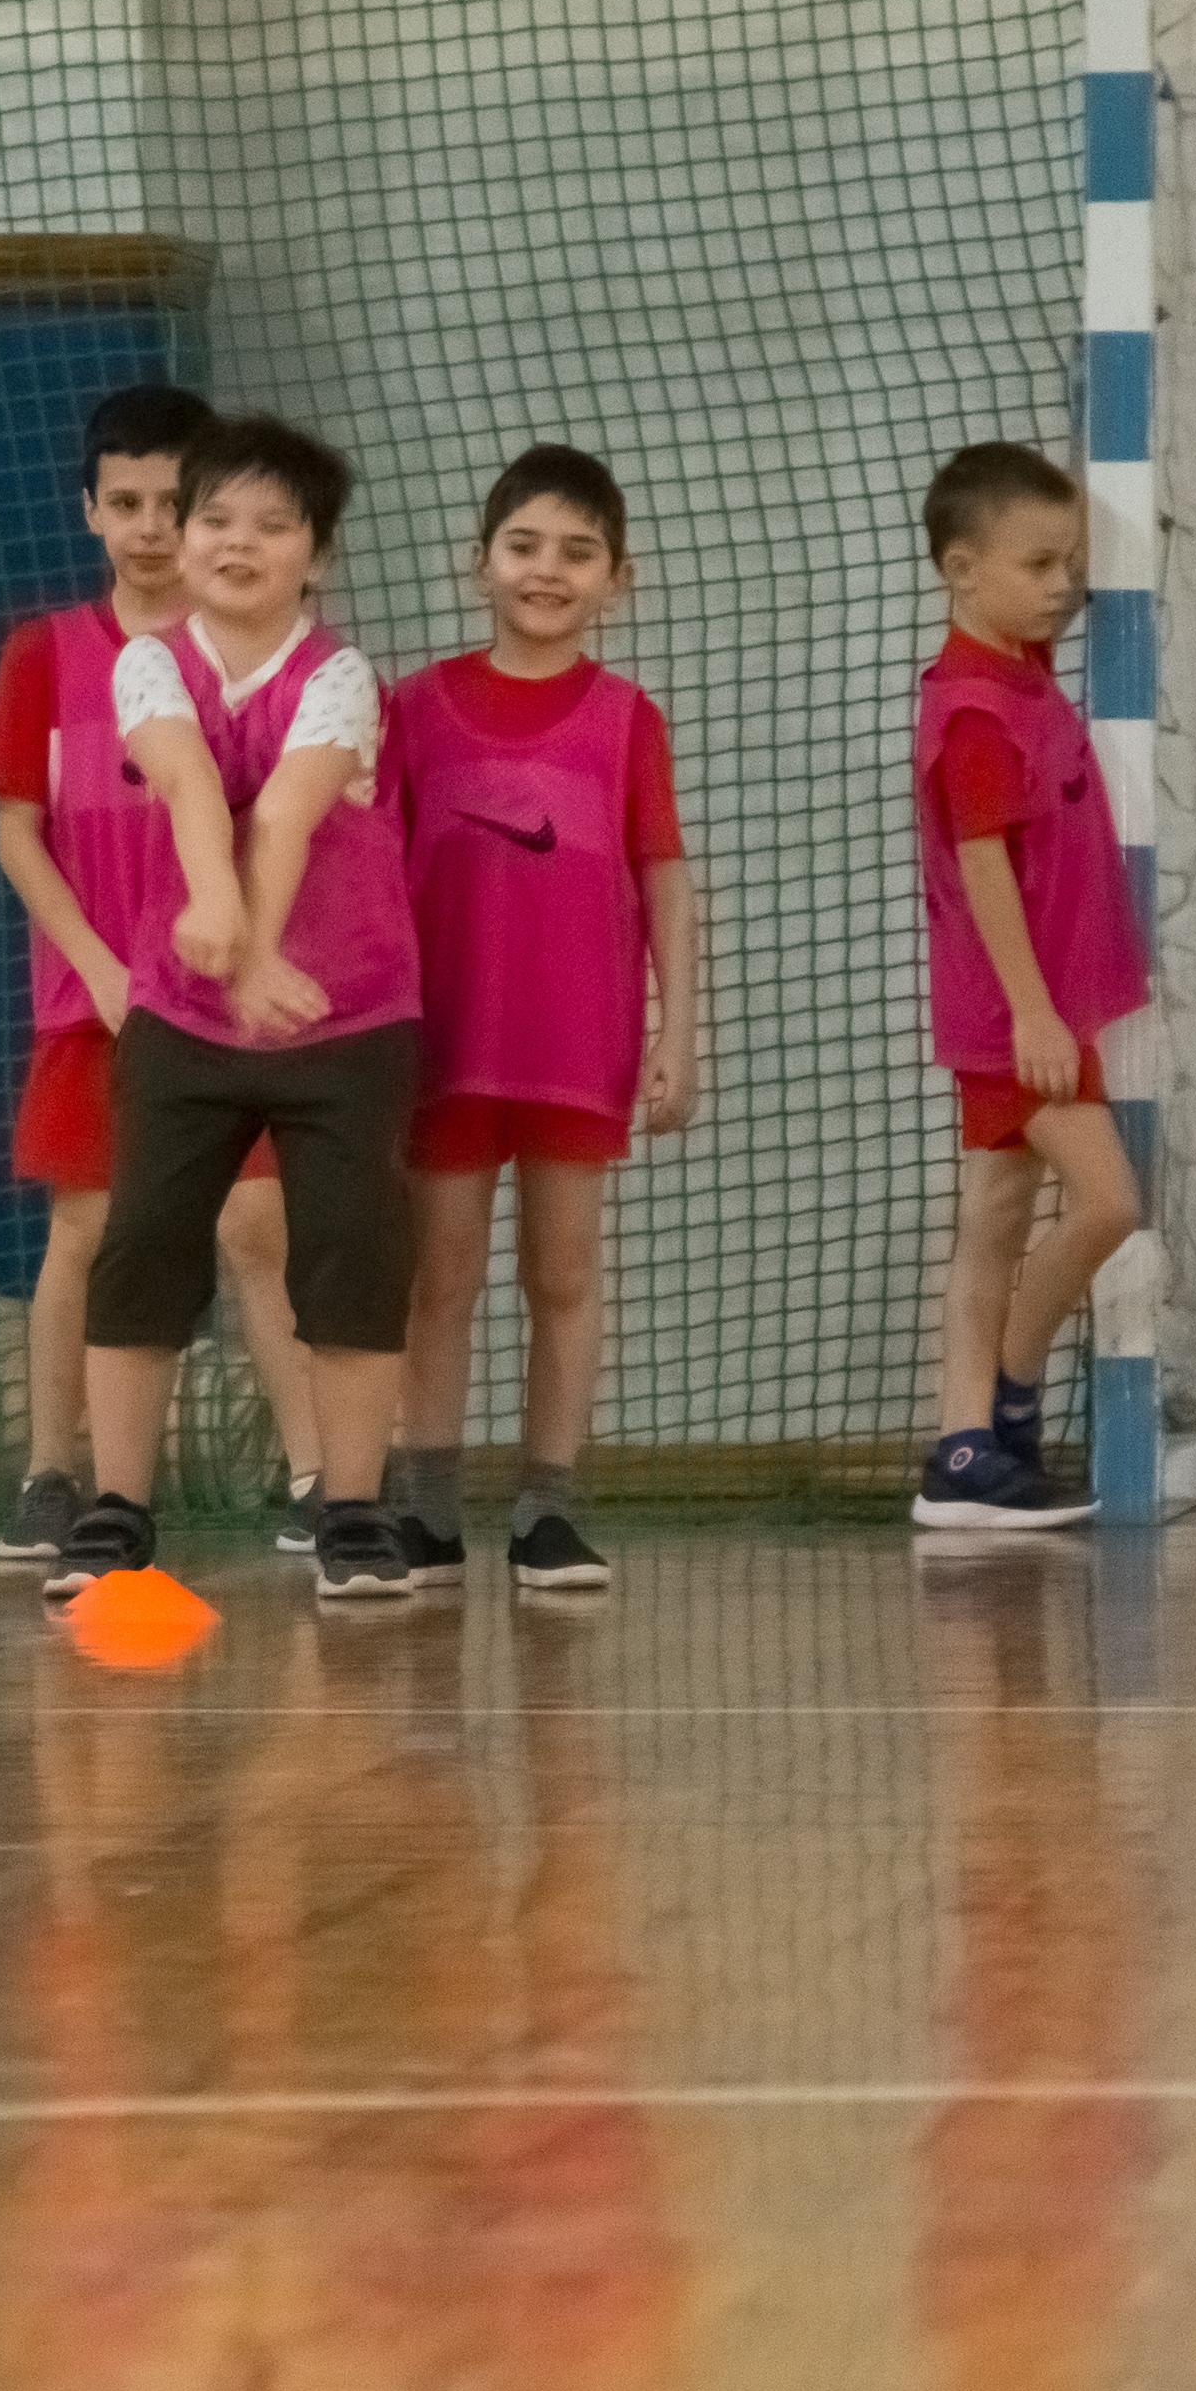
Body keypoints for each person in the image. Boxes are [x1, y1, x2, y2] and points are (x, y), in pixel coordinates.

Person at [37, 416, 425, 1605]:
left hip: (349, 1015)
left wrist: (255, 955)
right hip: (185, 1016)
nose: (236, 542)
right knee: (142, 1247)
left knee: (351, 1260)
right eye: (214, 520)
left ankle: (352, 1509)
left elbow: (288, 815)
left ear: (316, 555)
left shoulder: (342, 677)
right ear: (180, 537)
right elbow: (195, 783)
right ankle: (115, 1509)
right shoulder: (145, 659)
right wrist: (227, 941)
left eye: (271, 524)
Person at [0, 381, 327, 1570]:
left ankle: (319, 1473)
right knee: (86, 1234)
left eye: (175, 502)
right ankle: (53, 1471)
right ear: (88, 511)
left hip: (227, 1004)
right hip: (98, 1003)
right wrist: (103, 969)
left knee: (259, 1224)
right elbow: (19, 833)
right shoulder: (47, 655)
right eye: (124, 501)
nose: (150, 526)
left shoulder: (260, 665)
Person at [386, 444, 702, 1594]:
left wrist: (678, 1032)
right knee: (440, 1280)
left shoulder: (628, 722)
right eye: (524, 546)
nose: (547, 570)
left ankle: (547, 1510)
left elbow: (664, 878)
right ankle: (422, 1510)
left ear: (620, 578)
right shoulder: (411, 710)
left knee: (564, 1276)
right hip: (445, 1044)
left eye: (578, 552)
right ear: (478, 564)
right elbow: (368, 871)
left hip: (577, 1042)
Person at [910, 442, 1145, 1531]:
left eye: (1071, 563)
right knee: (1108, 1203)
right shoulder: (974, 710)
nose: (1063, 585)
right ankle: (1004, 1391)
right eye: (1039, 564)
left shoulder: (1020, 675)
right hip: (1019, 1019)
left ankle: (964, 1450)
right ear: (962, 570)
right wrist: (1037, 1011)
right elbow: (982, 861)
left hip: (1034, 1012)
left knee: (996, 1220)